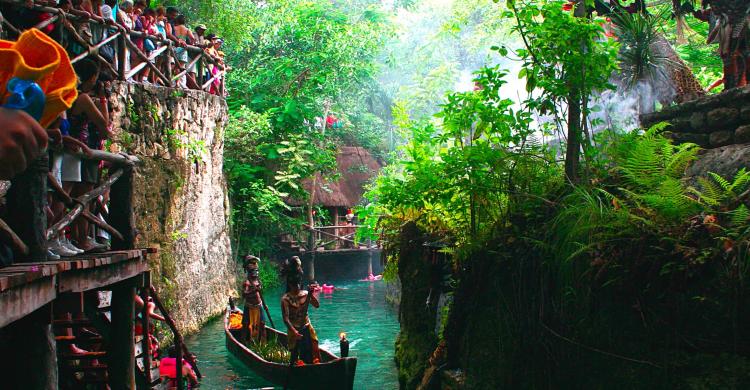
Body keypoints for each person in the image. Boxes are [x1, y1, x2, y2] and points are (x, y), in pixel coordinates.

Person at [281, 256, 321, 366]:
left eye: (298, 283)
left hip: (307, 327)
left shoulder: (305, 294)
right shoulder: (286, 299)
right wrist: (294, 332)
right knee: (295, 357)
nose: (297, 287)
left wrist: (311, 295)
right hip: (295, 330)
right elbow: (285, 319)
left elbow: (317, 305)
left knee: (310, 354)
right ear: (290, 284)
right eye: (295, 284)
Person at [241, 255, 266, 342]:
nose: (256, 272)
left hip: (259, 305)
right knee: (246, 324)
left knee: (262, 324)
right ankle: (243, 342)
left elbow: (260, 292)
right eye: (253, 271)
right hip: (249, 306)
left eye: (256, 271)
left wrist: (259, 290)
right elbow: (244, 294)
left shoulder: (258, 281)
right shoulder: (247, 282)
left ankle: (263, 343)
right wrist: (254, 290)